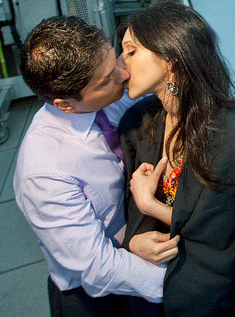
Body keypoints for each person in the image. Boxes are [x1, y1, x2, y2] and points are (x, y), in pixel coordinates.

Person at [14, 16, 178, 317]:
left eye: (114, 60)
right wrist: (187, 286)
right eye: (105, 81)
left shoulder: (108, 97)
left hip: (137, 250)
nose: (123, 74)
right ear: (65, 104)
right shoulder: (44, 173)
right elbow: (98, 267)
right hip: (94, 294)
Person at [119, 1, 235, 317]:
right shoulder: (138, 122)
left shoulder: (234, 139)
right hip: (146, 296)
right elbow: (126, 208)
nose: (121, 65)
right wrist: (133, 241)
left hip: (203, 301)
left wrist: (149, 204)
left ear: (170, 60)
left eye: (130, 52)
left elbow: (222, 235)